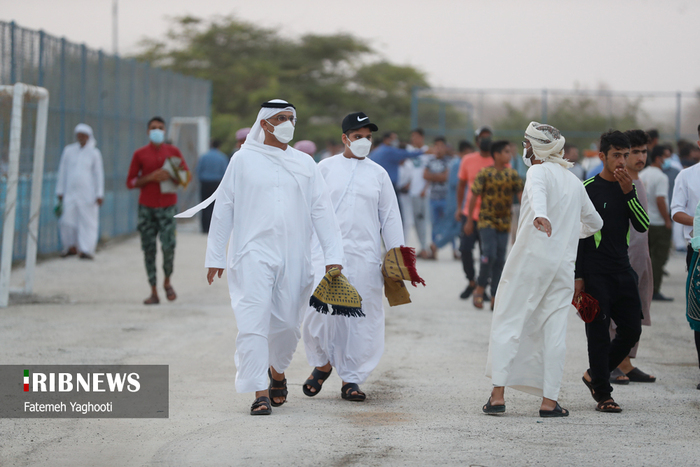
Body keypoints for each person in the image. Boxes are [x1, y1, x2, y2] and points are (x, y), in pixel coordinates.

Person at [179, 99, 345, 415]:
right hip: (251, 253)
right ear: (265, 123)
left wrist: (333, 255)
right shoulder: (243, 160)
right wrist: (215, 255)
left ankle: (277, 372)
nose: (288, 124)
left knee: (285, 325)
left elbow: (322, 210)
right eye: (281, 118)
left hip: (294, 256)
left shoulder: (305, 164)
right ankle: (259, 392)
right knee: (252, 322)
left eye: (292, 118)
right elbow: (224, 206)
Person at [483, 122, 602, 417]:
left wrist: (542, 216)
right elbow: (596, 224)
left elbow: (537, 196)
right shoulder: (574, 181)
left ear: (536, 148)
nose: (523, 148)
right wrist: (570, 232)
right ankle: (549, 402)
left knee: (509, 320)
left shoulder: (536, 171)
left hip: (530, 261)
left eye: (526, 143)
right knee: (555, 331)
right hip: (562, 267)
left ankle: (497, 396)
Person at [302, 111, 403, 402]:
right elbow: (309, 212)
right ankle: (322, 363)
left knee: (362, 319)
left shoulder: (378, 174)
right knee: (317, 315)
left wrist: (399, 260)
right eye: (358, 136)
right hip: (324, 255)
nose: (364, 141)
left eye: (368, 137)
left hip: (365, 256)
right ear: (344, 138)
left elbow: (391, 217)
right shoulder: (324, 168)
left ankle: (352, 378)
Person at [577, 130, 649, 413]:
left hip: (622, 269)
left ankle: (595, 374)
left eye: (625, 154)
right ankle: (603, 394)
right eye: (616, 155)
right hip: (595, 273)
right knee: (597, 334)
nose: (621, 161)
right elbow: (578, 237)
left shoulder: (629, 186)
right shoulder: (586, 189)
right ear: (602, 156)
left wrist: (628, 193)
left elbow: (642, 225)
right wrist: (578, 277)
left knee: (631, 329)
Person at [608, 130, 656, 384]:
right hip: (622, 260)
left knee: (637, 310)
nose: (639, 157)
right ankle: (614, 361)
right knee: (619, 313)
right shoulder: (618, 186)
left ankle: (626, 361)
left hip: (641, 258)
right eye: (633, 152)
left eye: (643, 151)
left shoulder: (640, 183)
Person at [126, 116, 190, 305]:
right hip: (147, 207)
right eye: (154, 128)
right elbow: (130, 182)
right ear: (148, 132)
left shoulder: (173, 152)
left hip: (168, 206)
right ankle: (153, 290)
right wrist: (150, 178)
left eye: (161, 128)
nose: (157, 131)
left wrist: (171, 175)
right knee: (149, 249)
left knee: (169, 246)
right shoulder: (140, 154)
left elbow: (186, 178)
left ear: (164, 131)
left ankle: (167, 281)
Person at [464, 140, 523, 309]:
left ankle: (495, 294)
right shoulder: (485, 173)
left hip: (504, 222)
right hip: (486, 220)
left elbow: (521, 195)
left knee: (499, 259)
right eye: (506, 151)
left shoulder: (512, 174)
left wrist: (525, 218)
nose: (509, 154)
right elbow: (474, 195)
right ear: (496, 155)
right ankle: (480, 288)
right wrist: (469, 220)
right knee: (488, 255)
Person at [670, 124, 700, 389]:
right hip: (699, 251)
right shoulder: (687, 176)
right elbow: (676, 211)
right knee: (699, 314)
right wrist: (699, 221)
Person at [56, 123, 104, 259]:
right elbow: (62, 172)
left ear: (88, 136)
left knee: (88, 222)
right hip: (70, 193)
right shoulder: (69, 151)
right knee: (66, 221)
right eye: (79, 135)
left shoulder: (94, 153)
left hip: (88, 194)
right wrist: (60, 190)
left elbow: (98, 175)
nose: (81, 137)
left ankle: (86, 249)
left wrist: (99, 193)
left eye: (84, 135)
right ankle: (70, 246)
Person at [456, 132, 493, 299]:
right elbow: (461, 185)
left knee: (487, 253)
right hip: (469, 214)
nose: (486, 140)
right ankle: (471, 281)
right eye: (482, 137)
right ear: (477, 141)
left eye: (489, 137)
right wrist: (459, 208)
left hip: (490, 215)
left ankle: (482, 285)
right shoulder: (468, 160)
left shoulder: (498, 160)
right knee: (465, 249)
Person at [639, 145, 673, 301]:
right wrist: (667, 220)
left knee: (646, 257)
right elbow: (660, 200)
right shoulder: (661, 177)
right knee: (658, 259)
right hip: (658, 223)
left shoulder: (642, 174)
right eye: (666, 156)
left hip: (645, 221)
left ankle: (643, 288)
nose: (668, 160)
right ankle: (654, 289)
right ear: (659, 158)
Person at [370, 132, 423, 203]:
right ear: (386, 139)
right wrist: (423, 151)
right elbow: (407, 154)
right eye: (394, 138)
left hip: (376, 184)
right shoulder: (389, 151)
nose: (396, 141)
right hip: (389, 185)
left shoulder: (375, 152)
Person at [424, 137, 450, 259]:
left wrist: (432, 176)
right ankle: (434, 250)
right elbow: (424, 175)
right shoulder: (430, 161)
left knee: (448, 224)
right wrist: (438, 176)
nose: (438, 149)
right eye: (436, 146)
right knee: (434, 225)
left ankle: (454, 250)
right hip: (433, 197)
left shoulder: (449, 161)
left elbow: (445, 177)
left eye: (441, 146)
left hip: (446, 197)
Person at [195, 140, 228, 233]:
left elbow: (198, 170)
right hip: (216, 183)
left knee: (204, 205)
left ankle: (204, 228)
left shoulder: (204, 157)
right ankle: (213, 228)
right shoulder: (222, 157)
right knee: (215, 206)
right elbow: (225, 172)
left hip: (205, 182)